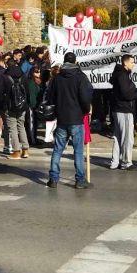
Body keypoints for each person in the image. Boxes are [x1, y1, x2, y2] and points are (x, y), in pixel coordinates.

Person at [45, 51, 93, 189]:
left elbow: (51, 97)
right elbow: (85, 97)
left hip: (62, 118)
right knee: (78, 151)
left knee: (58, 149)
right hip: (76, 118)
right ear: (75, 62)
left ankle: (53, 178)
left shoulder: (57, 78)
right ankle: (80, 180)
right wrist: (85, 110)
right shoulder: (80, 77)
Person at [109, 54, 137, 170]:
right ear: (125, 63)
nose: (133, 64)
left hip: (118, 109)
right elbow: (126, 93)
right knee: (127, 137)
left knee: (118, 136)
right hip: (124, 109)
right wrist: (136, 93)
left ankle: (115, 161)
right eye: (132, 62)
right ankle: (126, 162)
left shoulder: (121, 74)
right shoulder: (122, 75)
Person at [4, 55, 31, 159]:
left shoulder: (5, 76)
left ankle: (16, 151)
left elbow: (0, 91)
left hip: (10, 106)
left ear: (7, 65)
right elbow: (27, 91)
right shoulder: (23, 75)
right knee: (21, 126)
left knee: (13, 129)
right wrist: (27, 104)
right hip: (22, 105)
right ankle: (25, 149)